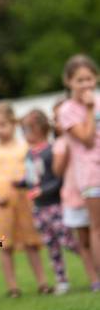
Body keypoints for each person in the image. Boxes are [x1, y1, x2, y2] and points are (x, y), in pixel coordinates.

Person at [0, 101, 51, 298]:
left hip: (25, 200)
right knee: (4, 245)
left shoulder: (25, 146)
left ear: (14, 123)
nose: (0, 130)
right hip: (2, 203)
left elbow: (35, 172)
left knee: (31, 243)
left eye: (4, 125)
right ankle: (13, 287)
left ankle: (42, 283)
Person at [17, 109, 78, 294]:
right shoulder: (29, 154)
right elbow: (32, 178)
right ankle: (62, 280)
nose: (24, 135)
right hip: (39, 208)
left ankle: (93, 264)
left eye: (26, 130)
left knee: (68, 241)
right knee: (51, 245)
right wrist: (21, 183)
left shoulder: (51, 150)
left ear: (39, 129)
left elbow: (57, 180)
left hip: (55, 206)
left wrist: (42, 190)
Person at [58, 54, 100, 284]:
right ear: (68, 81)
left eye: (89, 78)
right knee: (96, 227)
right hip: (91, 175)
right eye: (79, 80)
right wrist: (91, 108)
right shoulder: (67, 110)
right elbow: (86, 139)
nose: (85, 84)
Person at [52, 101, 99, 291]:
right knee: (84, 240)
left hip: (90, 186)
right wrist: (66, 152)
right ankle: (93, 278)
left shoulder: (88, 134)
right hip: (74, 195)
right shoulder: (60, 144)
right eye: (56, 120)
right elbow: (57, 171)